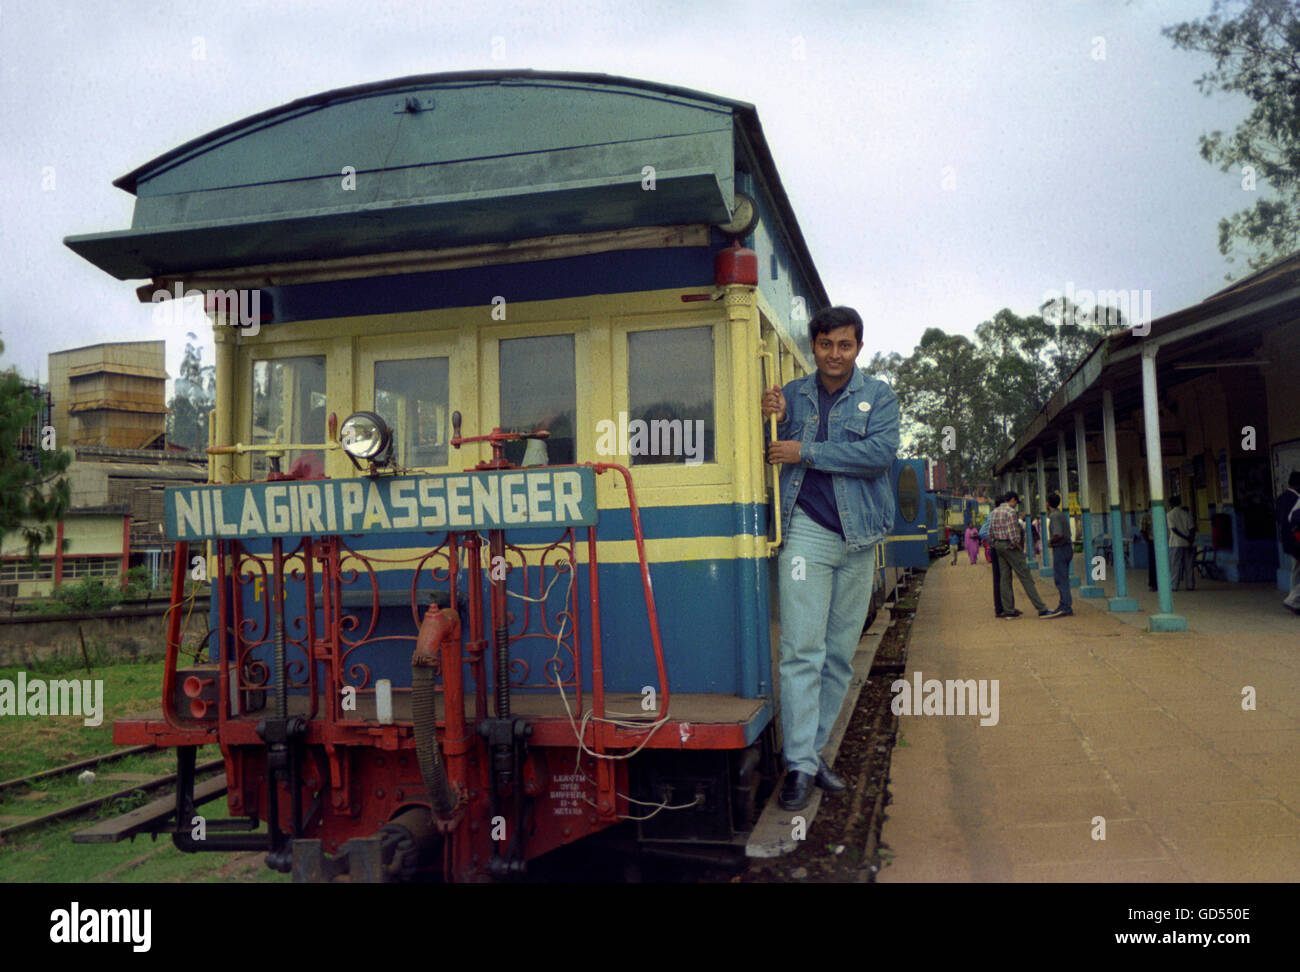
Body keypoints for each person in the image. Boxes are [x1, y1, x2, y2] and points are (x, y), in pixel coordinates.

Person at [761, 306, 900, 812]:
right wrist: (766, 417)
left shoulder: (879, 396)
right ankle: (798, 764)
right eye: (825, 344)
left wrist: (810, 451)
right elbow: (772, 452)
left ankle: (811, 751)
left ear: (858, 347)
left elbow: (880, 455)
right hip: (807, 534)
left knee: (839, 653)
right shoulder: (791, 396)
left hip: (860, 538)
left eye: (844, 345)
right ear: (814, 346)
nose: (834, 354)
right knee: (802, 649)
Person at [989, 491, 1050, 618]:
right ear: (1012, 499)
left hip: (998, 546)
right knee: (1026, 577)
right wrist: (1016, 545)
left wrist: (996, 543)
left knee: (1004, 579)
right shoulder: (1010, 512)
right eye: (1016, 502)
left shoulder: (994, 512)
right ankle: (1041, 608)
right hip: (1010, 546)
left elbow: (990, 533)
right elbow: (1013, 534)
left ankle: (1009, 610)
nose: (1016, 505)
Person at [1275, 469, 1300, 614]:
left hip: (1289, 541)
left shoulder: (1281, 498)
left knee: (1296, 572)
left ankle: (1295, 600)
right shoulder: (1294, 499)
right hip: (1296, 540)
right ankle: (1293, 599)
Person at [1044, 491, 1072, 617]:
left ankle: (1065, 605)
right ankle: (1065, 604)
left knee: (1060, 579)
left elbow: (1058, 534)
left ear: (1048, 503)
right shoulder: (1061, 515)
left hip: (1060, 549)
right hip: (1067, 548)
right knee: (1064, 577)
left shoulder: (1054, 516)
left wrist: (1050, 541)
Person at [980, 496, 1005, 616]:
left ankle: (1002, 607)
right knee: (1000, 579)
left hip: (996, 549)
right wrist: (995, 542)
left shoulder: (993, 514)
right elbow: (982, 532)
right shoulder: (994, 515)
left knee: (1000, 578)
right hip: (997, 550)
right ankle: (1000, 608)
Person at [1167, 501, 1196, 591]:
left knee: (1175, 565)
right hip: (1187, 543)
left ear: (1171, 504)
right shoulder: (1186, 513)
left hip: (1175, 543)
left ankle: (1174, 586)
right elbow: (1192, 528)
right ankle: (1190, 585)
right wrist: (1189, 539)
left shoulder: (1169, 514)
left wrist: (1184, 537)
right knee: (1189, 564)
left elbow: (1173, 529)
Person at [1139, 507, 1156, 591]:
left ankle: (1154, 584)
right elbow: (1143, 531)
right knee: (1153, 563)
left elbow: (1142, 530)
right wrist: (1148, 541)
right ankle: (1153, 584)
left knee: (1154, 563)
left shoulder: (1145, 516)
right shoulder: (1146, 516)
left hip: (1154, 541)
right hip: (1152, 541)